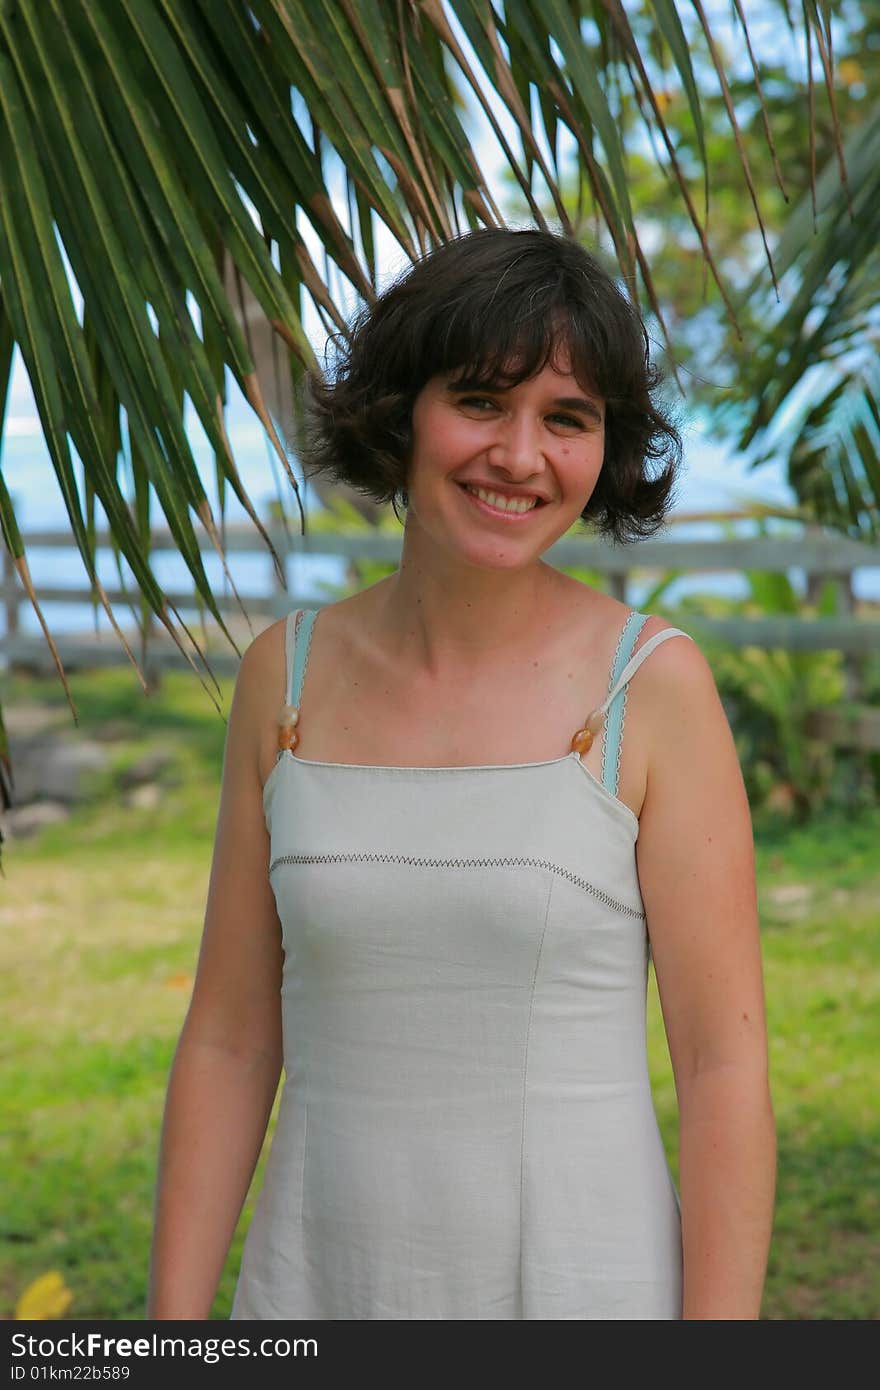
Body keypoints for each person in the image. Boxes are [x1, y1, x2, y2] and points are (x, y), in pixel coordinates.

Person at [146, 227, 776, 1321]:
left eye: (567, 418)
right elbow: (231, 1035)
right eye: (481, 401)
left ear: (605, 450)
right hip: (314, 1287)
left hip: (582, 1290)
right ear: (400, 411)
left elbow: (723, 1071)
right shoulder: (280, 679)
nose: (520, 456)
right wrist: (173, 1333)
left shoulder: (652, 689)